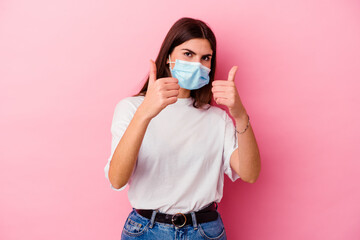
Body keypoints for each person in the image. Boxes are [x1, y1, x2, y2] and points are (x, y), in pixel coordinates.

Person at [104, 17, 261, 240]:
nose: (197, 64)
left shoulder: (217, 119)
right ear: (169, 56)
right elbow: (117, 179)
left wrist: (240, 114)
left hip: (204, 231)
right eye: (188, 54)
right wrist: (144, 113)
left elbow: (250, 173)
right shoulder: (131, 108)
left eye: (205, 58)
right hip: (146, 231)